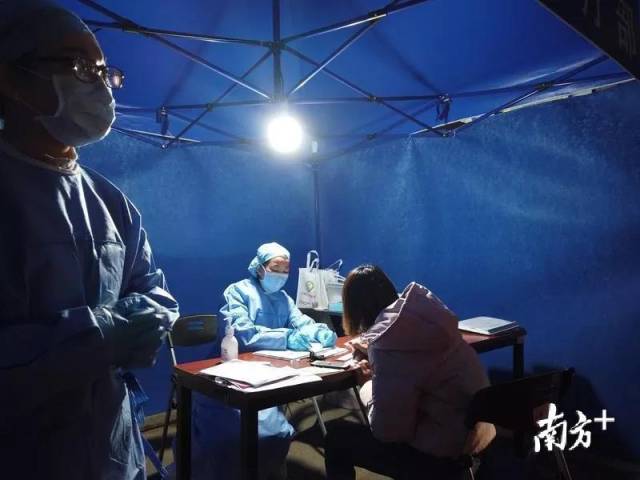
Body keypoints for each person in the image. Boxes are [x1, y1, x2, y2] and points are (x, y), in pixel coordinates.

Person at [0, 1, 179, 479]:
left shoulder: (111, 203)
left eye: (104, 72)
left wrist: (144, 319)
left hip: (112, 451)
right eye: (80, 67)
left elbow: (154, 290)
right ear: (12, 79)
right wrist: (95, 335)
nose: (100, 85)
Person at [324, 265, 495, 480]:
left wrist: (366, 384)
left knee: (336, 437)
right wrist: (374, 350)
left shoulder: (389, 348)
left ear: (353, 309)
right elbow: (418, 362)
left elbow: (387, 431)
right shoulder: (432, 323)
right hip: (477, 440)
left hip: (441, 458)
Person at [190, 242, 336, 480]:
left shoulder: (284, 299)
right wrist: (288, 338)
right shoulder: (237, 292)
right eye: (276, 268)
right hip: (231, 376)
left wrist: (317, 330)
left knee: (274, 435)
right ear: (259, 267)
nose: (281, 274)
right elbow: (243, 334)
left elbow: (300, 322)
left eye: (285, 270)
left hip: (269, 373)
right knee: (235, 439)